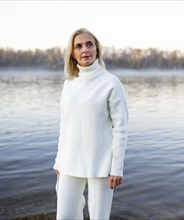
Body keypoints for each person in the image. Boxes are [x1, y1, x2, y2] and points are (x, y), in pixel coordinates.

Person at [53, 28, 129, 220]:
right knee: (65, 217)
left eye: (89, 44)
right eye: (78, 46)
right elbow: (65, 124)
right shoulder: (68, 84)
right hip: (69, 161)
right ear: (72, 53)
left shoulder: (111, 83)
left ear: (97, 49)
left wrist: (116, 168)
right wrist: (58, 160)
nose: (84, 49)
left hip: (101, 164)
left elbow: (120, 129)